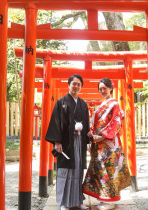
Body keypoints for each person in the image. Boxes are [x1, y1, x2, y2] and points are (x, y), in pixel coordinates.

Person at [82, 78, 131, 210]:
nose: (102, 91)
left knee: (110, 171)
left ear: (110, 88)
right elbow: (95, 124)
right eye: (100, 89)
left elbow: (115, 122)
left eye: (105, 88)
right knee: (100, 170)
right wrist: (91, 133)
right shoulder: (101, 106)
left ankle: (110, 200)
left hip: (109, 144)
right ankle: (102, 197)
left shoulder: (114, 104)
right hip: (99, 144)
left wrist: (102, 135)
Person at [45, 74, 90, 210]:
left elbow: (87, 124)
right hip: (66, 143)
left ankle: (77, 201)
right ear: (69, 85)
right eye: (73, 83)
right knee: (65, 172)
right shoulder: (61, 102)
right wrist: (57, 142)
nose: (76, 86)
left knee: (77, 172)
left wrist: (87, 139)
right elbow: (56, 122)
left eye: (78, 84)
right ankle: (64, 202)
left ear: (81, 87)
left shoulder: (83, 104)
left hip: (79, 142)